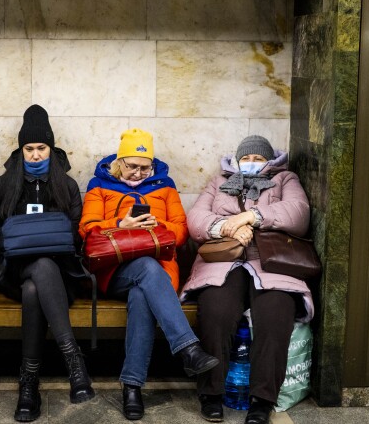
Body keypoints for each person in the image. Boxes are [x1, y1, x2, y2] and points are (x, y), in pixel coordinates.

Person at [79, 128, 219, 420]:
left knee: (144, 289)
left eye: (145, 167)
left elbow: (182, 231)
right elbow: (86, 229)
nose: (138, 172)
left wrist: (159, 228)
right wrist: (122, 223)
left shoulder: (165, 186)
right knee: (145, 269)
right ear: (119, 163)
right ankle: (188, 349)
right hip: (113, 270)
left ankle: (132, 387)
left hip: (158, 269)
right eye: (132, 166)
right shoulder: (99, 185)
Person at [180, 135, 313, 424]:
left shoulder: (284, 178)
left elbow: (298, 212)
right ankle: (211, 394)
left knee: (276, 311)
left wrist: (251, 216)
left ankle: (262, 400)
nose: (251, 163)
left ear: (270, 161)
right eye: (246, 159)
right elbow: (196, 218)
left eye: (258, 159)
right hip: (223, 260)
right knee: (215, 309)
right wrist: (226, 227)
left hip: (271, 263)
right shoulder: (218, 182)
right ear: (237, 160)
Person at [0, 105, 95, 422]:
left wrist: (50, 241)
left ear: (51, 148)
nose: (35, 154)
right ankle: (73, 361)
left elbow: (78, 234)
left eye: (41, 148)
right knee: (36, 273)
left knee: (39, 280)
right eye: (29, 148)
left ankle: (29, 384)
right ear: (21, 150)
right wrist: (14, 240)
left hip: (61, 275)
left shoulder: (67, 185)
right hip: (13, 271)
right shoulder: (5, 184)